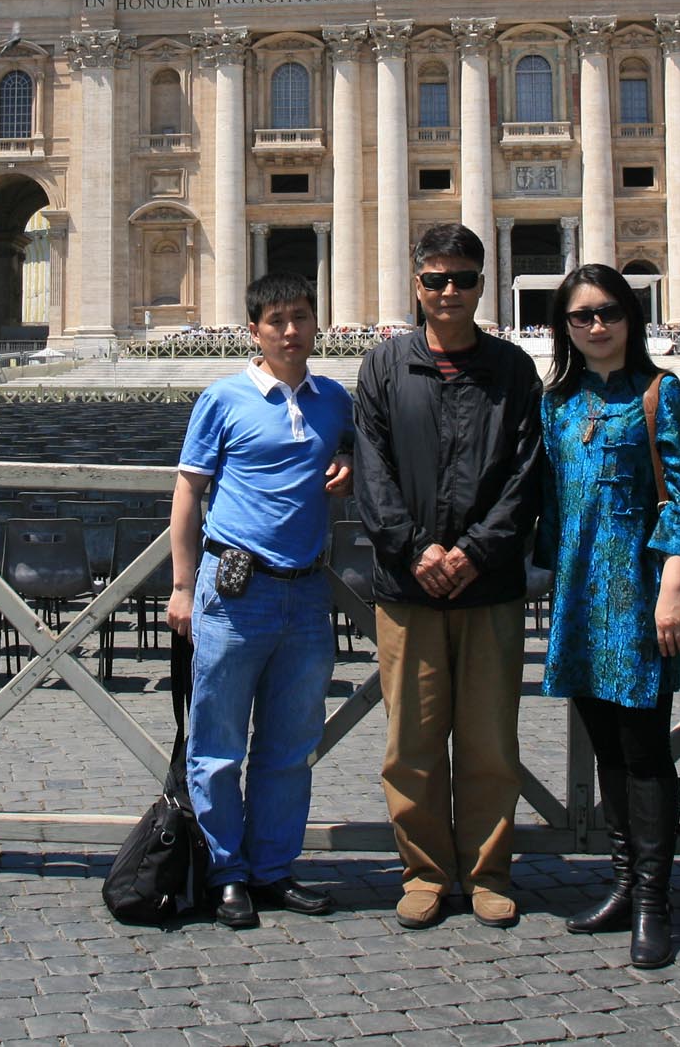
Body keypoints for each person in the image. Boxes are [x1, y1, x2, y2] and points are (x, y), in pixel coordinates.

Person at [352, 222, 547, 928]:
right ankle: (426, 870)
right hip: (408, 587)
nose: (448, 291)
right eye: (435, 278)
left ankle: (488, 868)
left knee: (492, 740)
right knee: (411, 742)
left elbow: (527, 475)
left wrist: (475, 551)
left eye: (461, 278)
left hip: (487, 584)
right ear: (415, 282)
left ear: (481, 282)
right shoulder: (382, 367)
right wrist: (415, 550)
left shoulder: (513, 369)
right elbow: (371, 471)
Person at [169, 271, 355, 929]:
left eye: (300, 316)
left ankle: (272, 869)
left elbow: (351, 452)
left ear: (315, 323)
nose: (289, 330)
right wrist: (182, 585)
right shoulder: (221, 399)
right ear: (253, 329)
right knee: (217, 742)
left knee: (289, 745)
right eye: (276, 319)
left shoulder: (335, 399)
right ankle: (226, 873)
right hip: (234, 589)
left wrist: (350, 463)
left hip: (304, 594)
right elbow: (188, 492)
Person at [535, 264, 680, 968]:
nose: (596, 325)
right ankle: (622, 882)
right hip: (579, 595)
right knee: (606, 747)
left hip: (638, 596)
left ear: (630, 317)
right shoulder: (559, 400)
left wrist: (673, 590)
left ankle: (651, 902)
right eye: (581, 315)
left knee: (644, 753)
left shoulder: (661, 393)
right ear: (564, 326)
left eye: (608, 312)